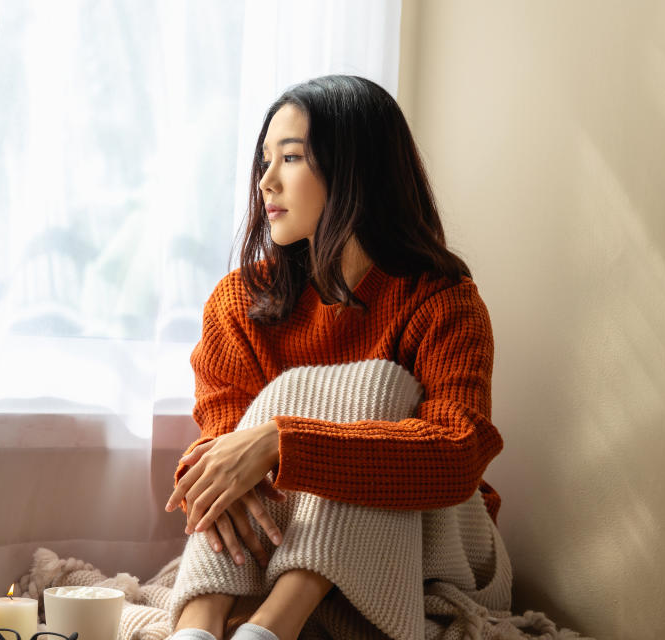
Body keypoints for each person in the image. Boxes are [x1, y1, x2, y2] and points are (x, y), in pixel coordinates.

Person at [163, 75, 506, 640]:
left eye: (290, 157)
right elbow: (220, 448)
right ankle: (198, 626)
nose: (266, 182)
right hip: (283, 542)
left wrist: (281, 440)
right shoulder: (240, 301)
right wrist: (230, 457)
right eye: (264, 161)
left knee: (379, 387)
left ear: (355, 171)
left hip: (439, 543)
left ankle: (271, 628)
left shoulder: (441, 300)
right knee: (229, 464)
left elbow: (457, 457)